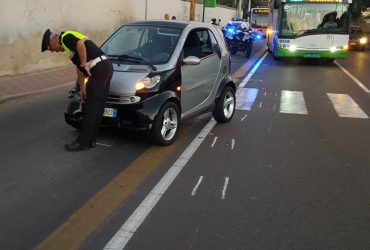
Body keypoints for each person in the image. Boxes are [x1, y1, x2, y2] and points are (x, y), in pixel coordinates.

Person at [41, 29, 113, 152]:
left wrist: (84, 63)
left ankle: (82, 142)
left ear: (53, 42)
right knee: (98, 107)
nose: (54, 52)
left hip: (99, 69)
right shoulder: (68, 46)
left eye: (51, 49)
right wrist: (81, 87)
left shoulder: (65, 37)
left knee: (90, 108)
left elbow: (80, 45)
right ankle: (91, 140)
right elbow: (79, 68)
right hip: (105, 67)